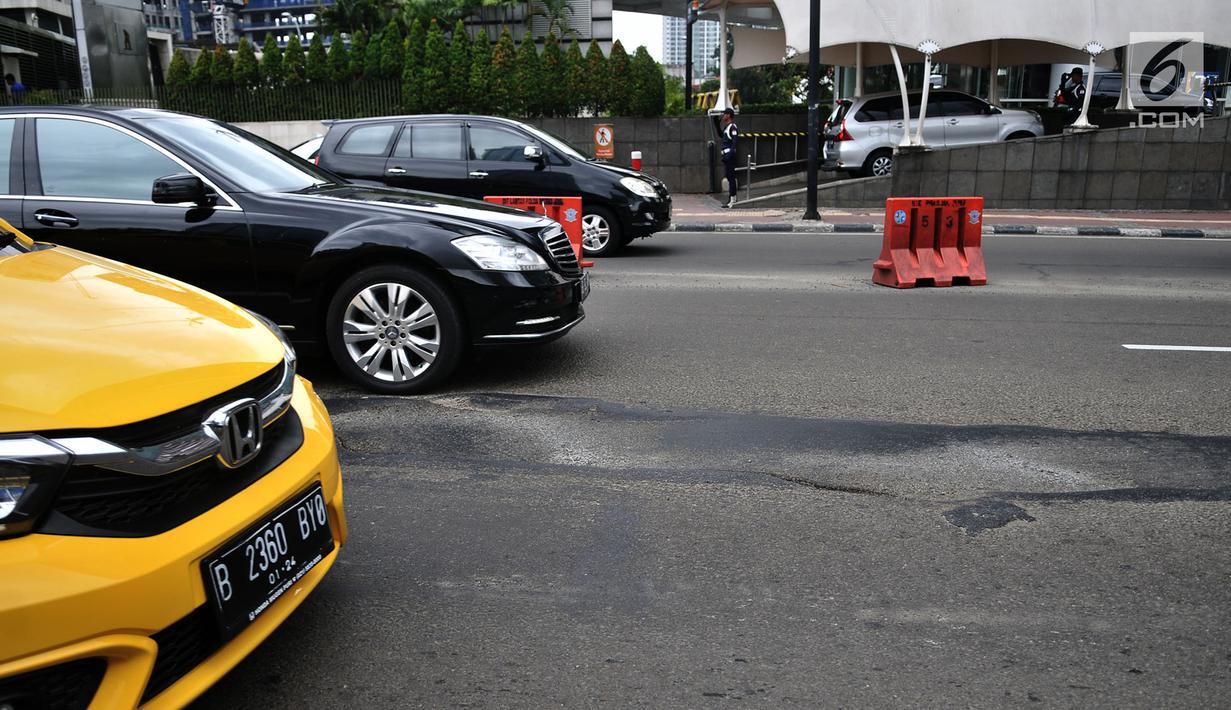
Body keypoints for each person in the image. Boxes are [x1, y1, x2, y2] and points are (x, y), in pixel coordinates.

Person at [719, 108, 739, 208]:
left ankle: (733, 199)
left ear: (729, 115)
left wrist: (729, 155)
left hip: (730, 156)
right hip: (726, 155)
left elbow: (734, 142)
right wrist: (715, 123)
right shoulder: (727, 127)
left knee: (731, 177)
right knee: (729, 176)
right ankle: (731, 198)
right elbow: (721, 135)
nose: (723, 116)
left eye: (724, 114)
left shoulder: (732, 127)